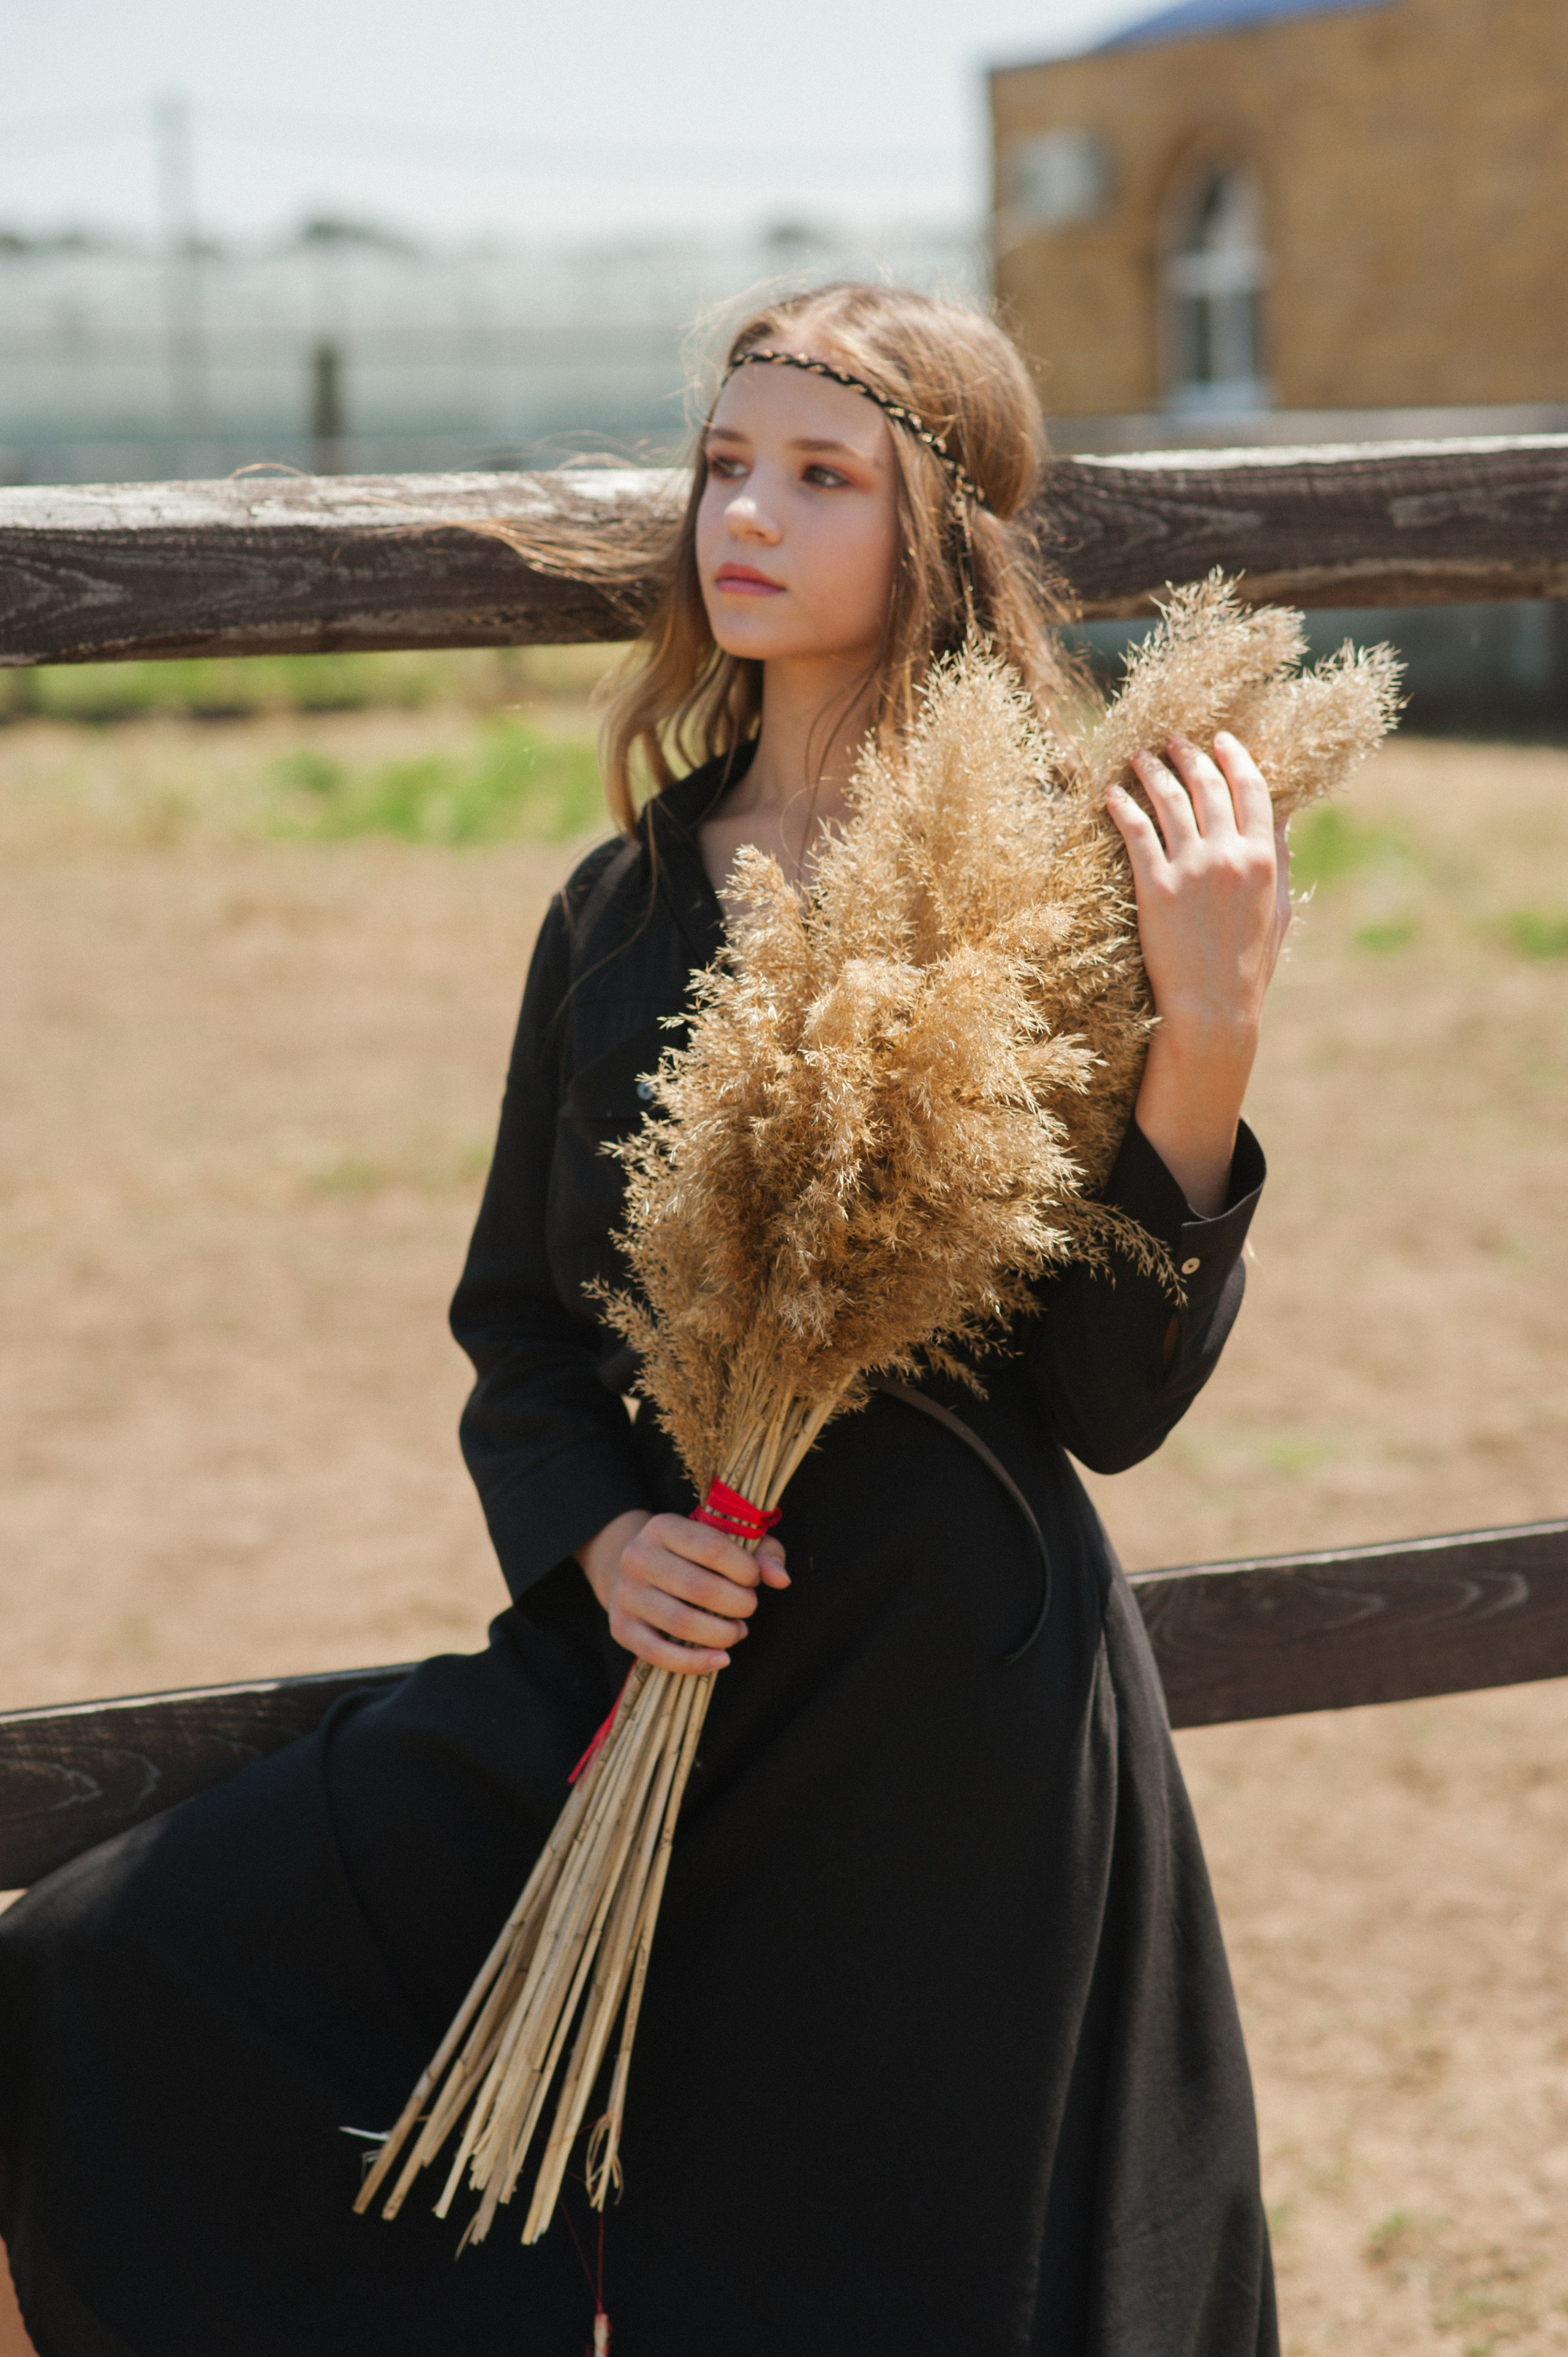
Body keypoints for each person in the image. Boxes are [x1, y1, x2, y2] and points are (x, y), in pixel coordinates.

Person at [0, 281, 1289, 2356]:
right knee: (111, 1961)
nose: (744, 516)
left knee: (860, 2271)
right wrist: (601, 1540)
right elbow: (519, 1334)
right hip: (657, 1643)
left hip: (944, 1694)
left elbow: (1109, 1403)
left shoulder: (1055, 886)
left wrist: (1207, 1028)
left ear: (941, 532)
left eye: (821, 475)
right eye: (722, 464)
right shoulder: (617, 907)